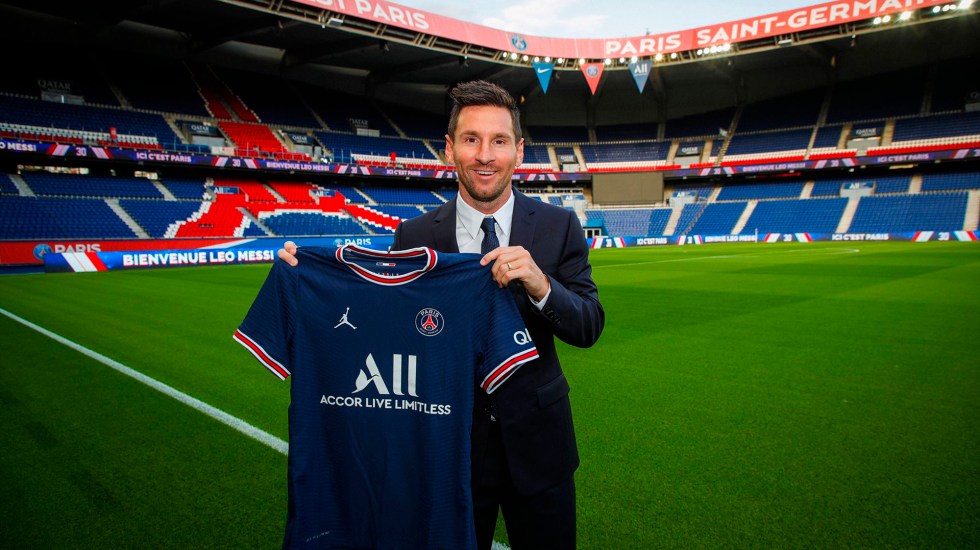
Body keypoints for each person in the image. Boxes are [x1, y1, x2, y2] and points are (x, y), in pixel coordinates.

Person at [278, 80, 604, 549]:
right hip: (447, 453)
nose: (485, 155)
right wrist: (310, 283)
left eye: (499, 141)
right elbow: (384, 333)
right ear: (449, 148)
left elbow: (589, 324)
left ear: (519, 151)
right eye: (471, 139)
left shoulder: (559, 225)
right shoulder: (413, 236)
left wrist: (541, 284)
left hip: (540, 447)